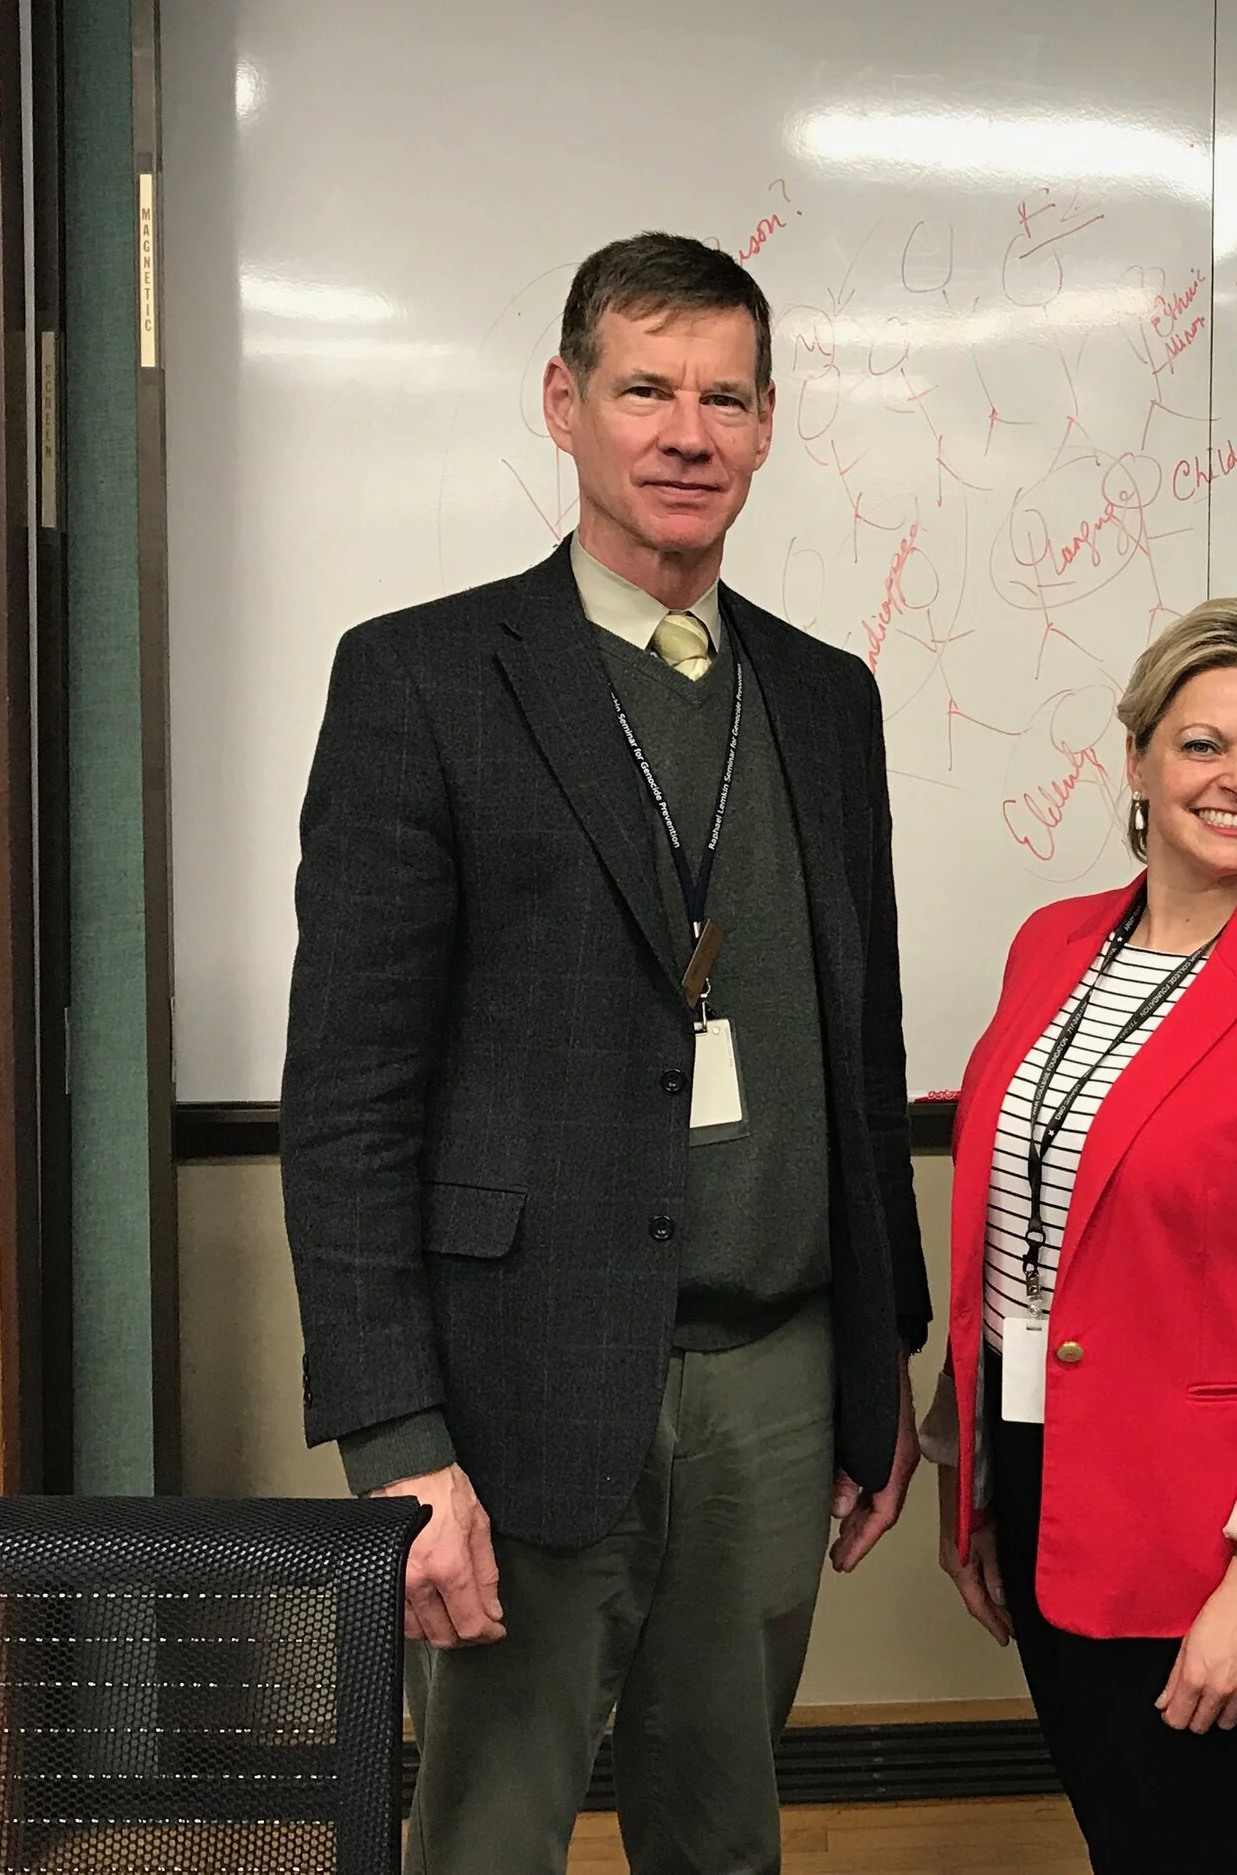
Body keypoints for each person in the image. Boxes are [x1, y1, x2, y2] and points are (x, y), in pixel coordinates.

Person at [281, 232, 928, 1875]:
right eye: (646, 390)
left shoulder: (827, 700)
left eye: (725, 397)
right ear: (565, 404)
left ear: (768, 424)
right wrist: (397, 1439)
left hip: (773, 1382)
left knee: (725, 1835)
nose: (686, 434)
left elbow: (861, 1054)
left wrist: (880, 1369)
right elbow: (350, 1100)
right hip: (519, 1386)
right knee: (490, 1839)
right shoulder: (423, 680)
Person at [918, 598, 1237, 1874]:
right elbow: (1013, 1228)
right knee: (1119, 1836)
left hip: (1199, 1523)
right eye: (1204, 744)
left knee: (1176, 1850)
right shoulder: (1050, 944)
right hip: (1030, 1468)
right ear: (1139, 759)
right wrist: (969, 1474)